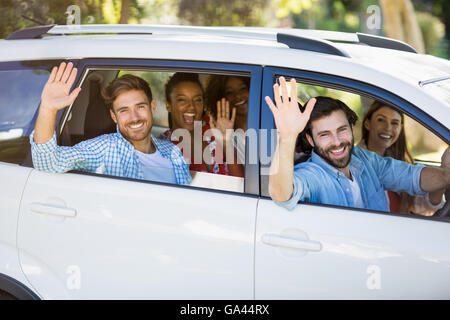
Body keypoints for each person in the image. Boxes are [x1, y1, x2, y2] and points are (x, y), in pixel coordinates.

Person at [265, 76, 449, 211]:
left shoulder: (364, 159)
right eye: (325, 135)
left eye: (342, 130)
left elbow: (413, 177)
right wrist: (288, 136)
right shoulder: (313, 175)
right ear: (311, 140)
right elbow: (281, 194)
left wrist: (446, 176)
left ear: (353, 129)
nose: (337, 142)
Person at [31, 62, 191, 185]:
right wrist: (48, 109)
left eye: (140, 107)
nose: (134, 117)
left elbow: (189, 197)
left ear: (152, 107)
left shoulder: (172, 152)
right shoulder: (104, 149)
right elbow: (48, 163)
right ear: (114, 116)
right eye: (124, 110)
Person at [359, 101, 444, 215]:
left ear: (400, 128)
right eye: (381, 120)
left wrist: (444, 169)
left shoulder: (400, 164)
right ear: (367, 124)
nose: (388, 128)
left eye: (394, 123)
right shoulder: (355, 164)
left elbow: (426, 205)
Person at [160, 72, 244, 177]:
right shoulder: (162, 147)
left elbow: (240, 181)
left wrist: (226, 142)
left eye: (197, 100)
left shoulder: (214, 128)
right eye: (182, 100)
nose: (191, 107)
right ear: (168, 106)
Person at [205, 75, 250, 165]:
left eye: (243, 88)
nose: (238, 96)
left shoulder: (271, 124)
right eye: (229, 92)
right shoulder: (224, 135)